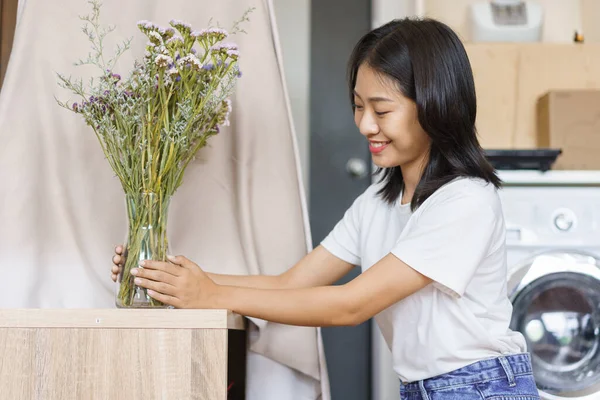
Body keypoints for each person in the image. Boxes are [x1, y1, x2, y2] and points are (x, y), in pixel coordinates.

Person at [111, 18, 540, 399]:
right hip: (421, 390)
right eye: (358, 106)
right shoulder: (378, 201)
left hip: (483, 388)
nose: (365, 125)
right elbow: (290, 284)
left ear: (434, 104)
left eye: (382, 109)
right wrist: (168, 278)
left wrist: (210, 295)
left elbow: (350, 306)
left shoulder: (465, 201)